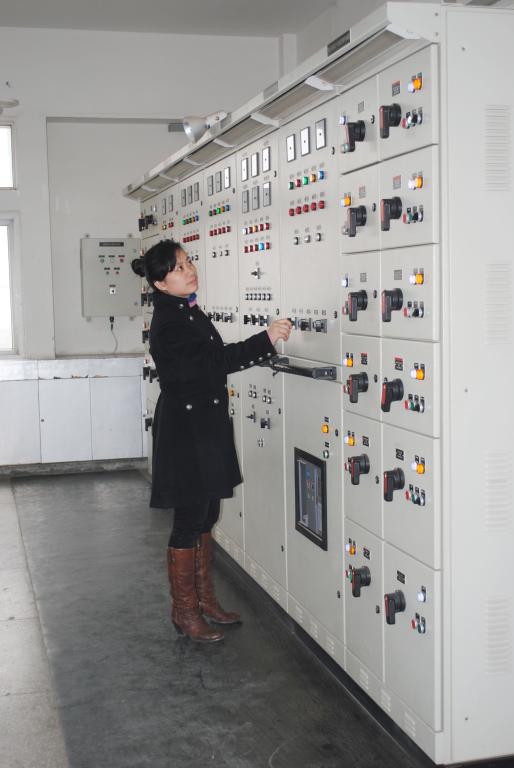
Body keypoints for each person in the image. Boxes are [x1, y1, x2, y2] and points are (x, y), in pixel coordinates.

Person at [132, 240, 291, 643]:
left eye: (188, 262)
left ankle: (205, 601)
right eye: (179, 268)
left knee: (207, 515)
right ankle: (184, 611)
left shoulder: (187, 309)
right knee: (189, 520)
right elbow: (213, 362)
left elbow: (211, 359)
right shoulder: (170, 323)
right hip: (187, 432)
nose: (189, 270)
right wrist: (265, 339)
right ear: (160, 283)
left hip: (205, 425)